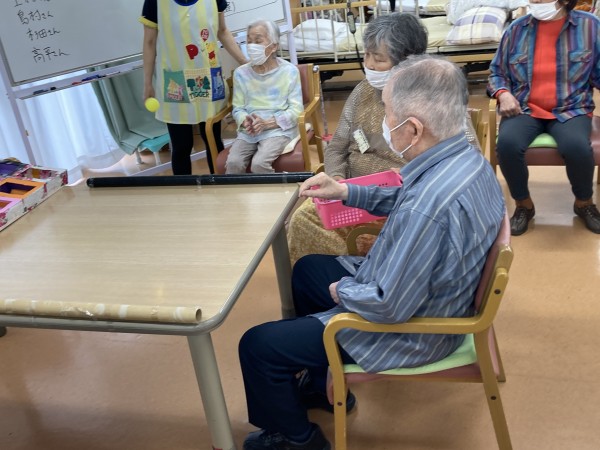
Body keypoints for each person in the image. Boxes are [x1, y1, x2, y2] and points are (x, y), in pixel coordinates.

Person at [238, 55, 505, 450]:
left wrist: (343, 291)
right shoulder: (465, 159)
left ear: (413, 129)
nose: (384, 121)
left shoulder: (427, 210)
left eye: (388, 113)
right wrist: (346, 190)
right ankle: (320, 384)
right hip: (438, 295)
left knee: (258, 346)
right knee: (308, 270)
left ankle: (298, 439)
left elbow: (388, 305)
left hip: (414, 330)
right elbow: (404, 197)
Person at [287, 13, 480, 265]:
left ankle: (349, 277)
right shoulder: (362, 91)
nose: (368, 65)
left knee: (306, 226)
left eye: (378, 59)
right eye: (366, 55)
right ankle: (330, 278)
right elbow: (337, 147)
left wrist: (411, 179)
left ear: (407, 62)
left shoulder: (435, 99)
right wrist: (337, 180)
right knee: (302, 218)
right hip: (350, 195)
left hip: (399, 202)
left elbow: (465, 160)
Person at [487, 0, 600, 235]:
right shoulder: (516, 30)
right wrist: (503, 94)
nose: (535, 2)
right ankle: (524, 205)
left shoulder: (590, 27)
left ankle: (584, 203)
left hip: (571, 108)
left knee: (576, 146)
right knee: (507, 144)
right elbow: (497, 72)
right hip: (524, 108)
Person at [140, 0, 247, 175]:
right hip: (175, 82)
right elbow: (149, 42)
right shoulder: (155, 2)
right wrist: (147, 83)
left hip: (208, 78)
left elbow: (222, 31)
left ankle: (219, 187)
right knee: (181, 145)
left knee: (213, 141)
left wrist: (244, 62)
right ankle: (184, 191)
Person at [225, 19, 303, 174]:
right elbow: (238, 108)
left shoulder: (289, 71)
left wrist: (268, 123)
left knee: (259, 164)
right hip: (249, 132)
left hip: (278, 130)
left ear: (274, 46)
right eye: (249, 41)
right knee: (233, 163)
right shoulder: (241, 73)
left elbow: (296, 109)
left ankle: (275, 190)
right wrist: (245, 121)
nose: (252, 46)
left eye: (258, 41)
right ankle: (240, 192)